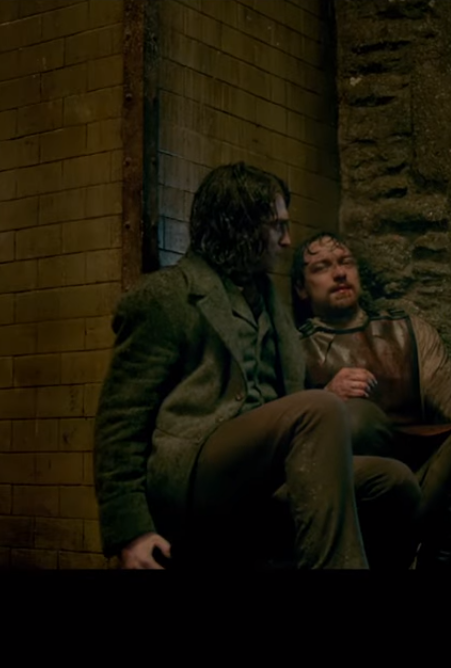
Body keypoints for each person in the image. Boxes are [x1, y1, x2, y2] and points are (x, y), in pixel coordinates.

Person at [94, 163, 420, 570]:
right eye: (277, 226)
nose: (288, 240)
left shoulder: (269, 298)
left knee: (393, 482)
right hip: (195, 469)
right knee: (319, 409)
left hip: (265, 468)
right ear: (240, 227)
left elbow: (285, 403)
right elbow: (120, 420)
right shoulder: (167, 296)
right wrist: (130, 530)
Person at [290, 230, 451, 570]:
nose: (339, 273)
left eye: (346, 262)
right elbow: (285, 439)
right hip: (355, 491)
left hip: (424, 478)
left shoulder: (406, 331)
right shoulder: (295, 349)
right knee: (357, 419)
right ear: (302, 288)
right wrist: (325, 399)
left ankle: (441, 554)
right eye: (322, 267)